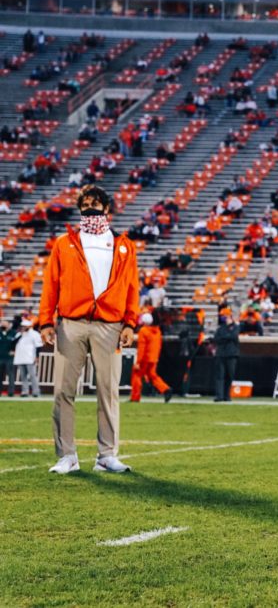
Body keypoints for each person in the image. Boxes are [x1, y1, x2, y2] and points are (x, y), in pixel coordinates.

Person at [40, 185, 139, 475]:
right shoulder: (64, 243)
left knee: (108, 391)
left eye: (95, 203)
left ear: (107, 208)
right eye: (85, 204)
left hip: (110, 325)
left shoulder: (123, 245)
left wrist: (130, 322)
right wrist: (45, 321)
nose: (90, 208)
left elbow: (132, 287)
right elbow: (51, 284)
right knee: (63, 391)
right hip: (70, 323)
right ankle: (67, 456)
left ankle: (107, 455)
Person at [130, 312, 172, 402]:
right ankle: (165, 389)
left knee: (136, 375)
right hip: (154, 358)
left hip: (145, 358)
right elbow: (159, 345)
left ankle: (135, 397)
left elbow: (142, 348)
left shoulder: (143, 331)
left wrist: (138, 362)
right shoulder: (158, 331)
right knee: (152, 376)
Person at [213, 313, 239, 402]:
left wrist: (224, 337)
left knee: (230, 375)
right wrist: (227, 337)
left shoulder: (236, 327)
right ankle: (219, 396)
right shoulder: (220, 328)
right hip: (220, 354)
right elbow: (216, 339)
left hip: (231, 354)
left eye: (228, 318)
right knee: (220, 376)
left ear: (231, 319)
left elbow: (234, 336)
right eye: (225, 318)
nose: (226, 319)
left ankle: (227, 396)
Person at [13, 319, 43, 398]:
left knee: (32, 375)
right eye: (22, 326)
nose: (23, 327)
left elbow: (38, 346)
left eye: (25, 326)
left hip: (30, 358)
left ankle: (36, 391)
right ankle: (25, 391)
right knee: (23, 376)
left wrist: (37, 356)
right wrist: (21, 334)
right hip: (20, 357)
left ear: (29, 326)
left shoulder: (34, 334)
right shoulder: (19, 334)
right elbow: (13, 342)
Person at [0, 318, 16, 396]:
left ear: (9, 324)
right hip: (0, 357)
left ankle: (11, 392)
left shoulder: (13, 333)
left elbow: (18, 343)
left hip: (9, 358)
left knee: (11, 375)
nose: (3, 325)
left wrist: (15, 351)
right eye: (2, 323)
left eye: (5, 323)